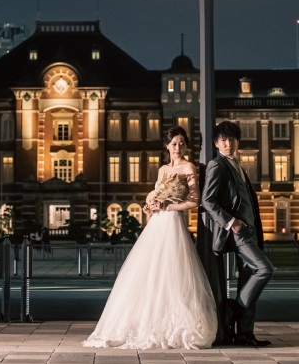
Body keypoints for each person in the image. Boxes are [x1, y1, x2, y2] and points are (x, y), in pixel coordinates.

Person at [83, 126, 216, 349]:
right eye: (174, 143)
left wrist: (168, 205)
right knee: (149, 271)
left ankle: (174, 323)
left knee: (173, 272)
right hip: (157, 223)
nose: (178, 147)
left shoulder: (188, 167)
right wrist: (151, 206)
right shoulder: (162, 170)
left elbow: (194, 201)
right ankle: (147, 322)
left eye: (182, 143)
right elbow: (158, 195)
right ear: (167, 145)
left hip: (173, 223)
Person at [202, 121, 273, 347]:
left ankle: (244, 333)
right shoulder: (217, 165)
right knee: (264, 269)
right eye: (223, 139)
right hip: (238, 232)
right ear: (216, 143)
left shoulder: (239, 166)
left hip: (250, 230)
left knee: (246, 279)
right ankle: (235, 308)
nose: (228, 143)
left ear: (237, 142)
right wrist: (231, 222)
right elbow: (207, 201)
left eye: (232, 139)